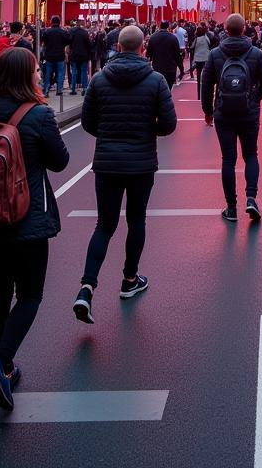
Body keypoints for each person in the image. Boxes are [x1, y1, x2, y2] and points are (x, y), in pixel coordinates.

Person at [0, 48, 70, 411]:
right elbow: (60, 161)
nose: (40, 75)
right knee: (30, 294)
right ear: (27, 75)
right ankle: (1, 362)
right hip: (27, 218)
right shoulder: (38, 114)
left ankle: (0, 368)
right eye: (37, 70)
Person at [73, 26, 176, 325]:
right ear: (143, 48)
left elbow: (87, 122)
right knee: (136, 219)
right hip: (141, 162)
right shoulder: (156, 80)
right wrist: (146, 132)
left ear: (117, 46)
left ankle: (86, 287)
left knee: (104, 225)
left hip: (106, 162)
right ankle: (129, 279)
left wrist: (108, 134)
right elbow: (168, 124)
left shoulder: (99, 79)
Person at [200, 13, 262, 222]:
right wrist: (253, 98)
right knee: (251, 154)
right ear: (244, 29)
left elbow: (206, 85)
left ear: (225, 30)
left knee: (228, 160)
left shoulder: (215, 54)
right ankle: (251, 198)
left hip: (223, 112)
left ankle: (231, 207)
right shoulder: (256, 53)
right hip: (248, 111)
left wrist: (208, 110)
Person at [145, 21, 181, 92]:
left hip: (157, 67)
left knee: (158, 88)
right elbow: (177, 55)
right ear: (168, 27)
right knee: (168, 89)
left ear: (160, 26)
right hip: (170, 68)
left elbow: (148, 54)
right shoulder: (173, 38)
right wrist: (181, 68)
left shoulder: (153, 37)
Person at [39, 16, 70, 96]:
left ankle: (46, 90)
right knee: (60, 73)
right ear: (59, 22)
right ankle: (59, 90)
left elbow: (43, 42)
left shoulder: (47, 32)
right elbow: (67, 41)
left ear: (51, 22)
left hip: (49, 56)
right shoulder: (63, 32)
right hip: (60, 55)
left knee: (48, 74)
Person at [66, 19, 93, 96]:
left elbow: (68, 42)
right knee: (84, 72)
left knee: (74, 72)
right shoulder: (85, 33)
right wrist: (89, 54)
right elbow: (89, 45)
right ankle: (84, 89)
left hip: (74, 55)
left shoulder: (71, 31)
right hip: (84, 55)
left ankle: (73, 89)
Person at [191, 24, 216, 99]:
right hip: (206, 58)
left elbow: (192, 47)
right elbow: (211, 43)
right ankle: (206, 94)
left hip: (198, 59)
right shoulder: (206, 37)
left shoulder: (196, 39)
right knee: (206, 76)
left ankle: (199, 95)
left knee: (199, 77)